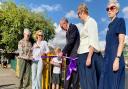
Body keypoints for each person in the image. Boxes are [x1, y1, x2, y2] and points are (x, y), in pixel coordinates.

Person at [98, 1, 126, 89]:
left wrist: (117, 59)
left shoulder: (120, 21)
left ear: (117, 10)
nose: (109, 10)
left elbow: (121, 42)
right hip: (107, 60)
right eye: (107, 9)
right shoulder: (109, 25)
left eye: (112, 8)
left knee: (113, 85)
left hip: (115, 58)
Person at [77, 3, 103, 89]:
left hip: (87, 54)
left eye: (78, 14)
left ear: (82, 12)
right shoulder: (85, 24)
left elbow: (93, 40)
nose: (78, 17)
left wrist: (89, 57)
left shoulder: (91, 22)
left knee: (90, 82)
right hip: (81, 54)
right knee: (84, 82)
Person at [59, 17, 80, 89]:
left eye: (61, 26)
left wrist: (63, 52)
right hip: (69, 58)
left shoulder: (73, 27)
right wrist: (65, 54)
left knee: (74, 78)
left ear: (65, 23)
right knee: (67, 78)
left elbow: (71, 42)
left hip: (74, 57)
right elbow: (69, 45)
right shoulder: (67, 32)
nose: (62, 28)